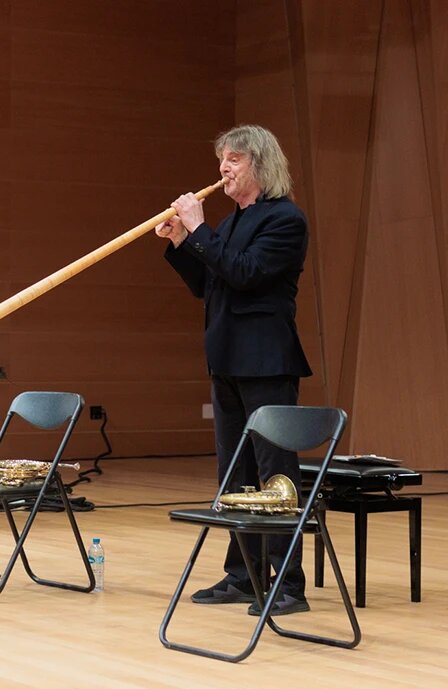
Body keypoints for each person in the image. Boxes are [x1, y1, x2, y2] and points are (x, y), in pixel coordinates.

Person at [155, 124, 313, 616]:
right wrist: (184, 240)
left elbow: (245, 273)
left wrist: (200, 230)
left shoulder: (286, 220)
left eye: (235, 159)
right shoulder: (231, 222)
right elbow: (209, 284)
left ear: (261, 165)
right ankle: (244, 575)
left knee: (275, 476)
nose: (224, 168)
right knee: (234, 475)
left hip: (266, 361)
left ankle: (289, 585)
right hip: (225, 359)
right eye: (222, 159)